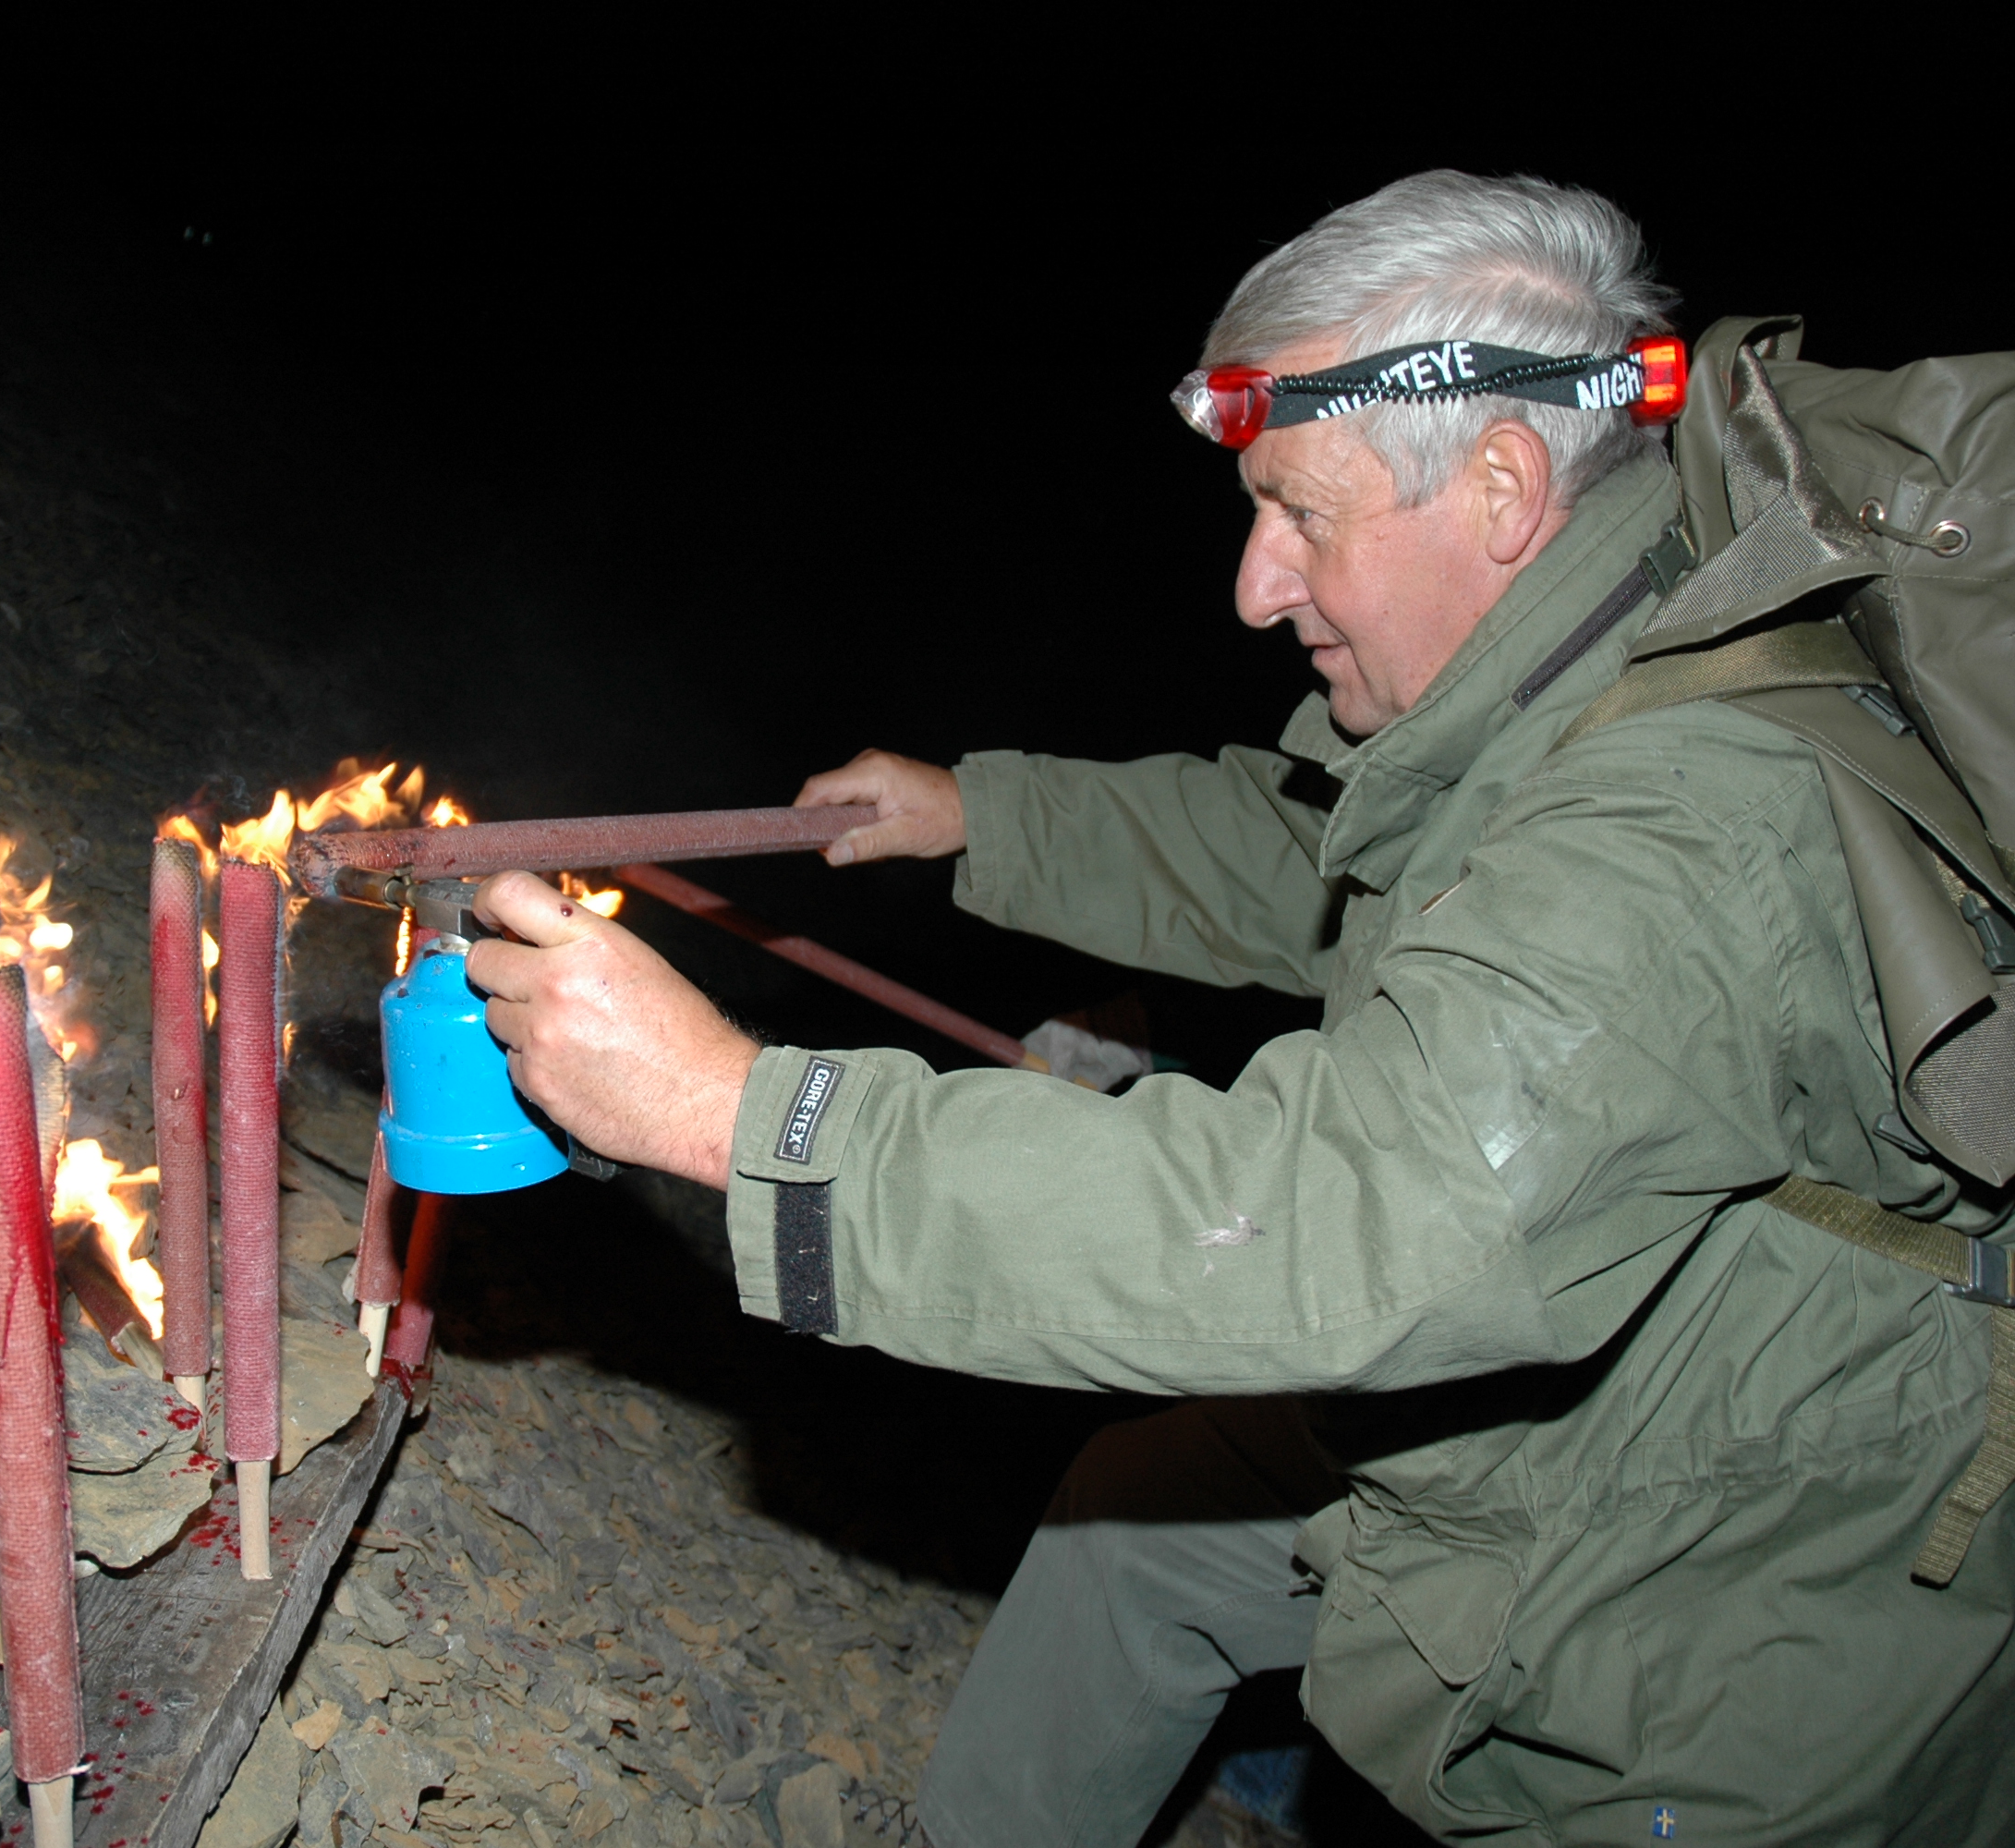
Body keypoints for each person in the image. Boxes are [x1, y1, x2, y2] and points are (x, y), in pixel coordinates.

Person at [461, 171, 2015, 1845]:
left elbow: (1338, 1228)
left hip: (1752, 1582)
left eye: (1302, 515)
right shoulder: (1595, 647)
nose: (1255, 586)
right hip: (1595, 1388)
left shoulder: (1684, 818)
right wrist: (983, 813)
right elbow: (1315, 861)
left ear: (1500, 486)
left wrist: (737, 1117)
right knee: (1148, 1524)